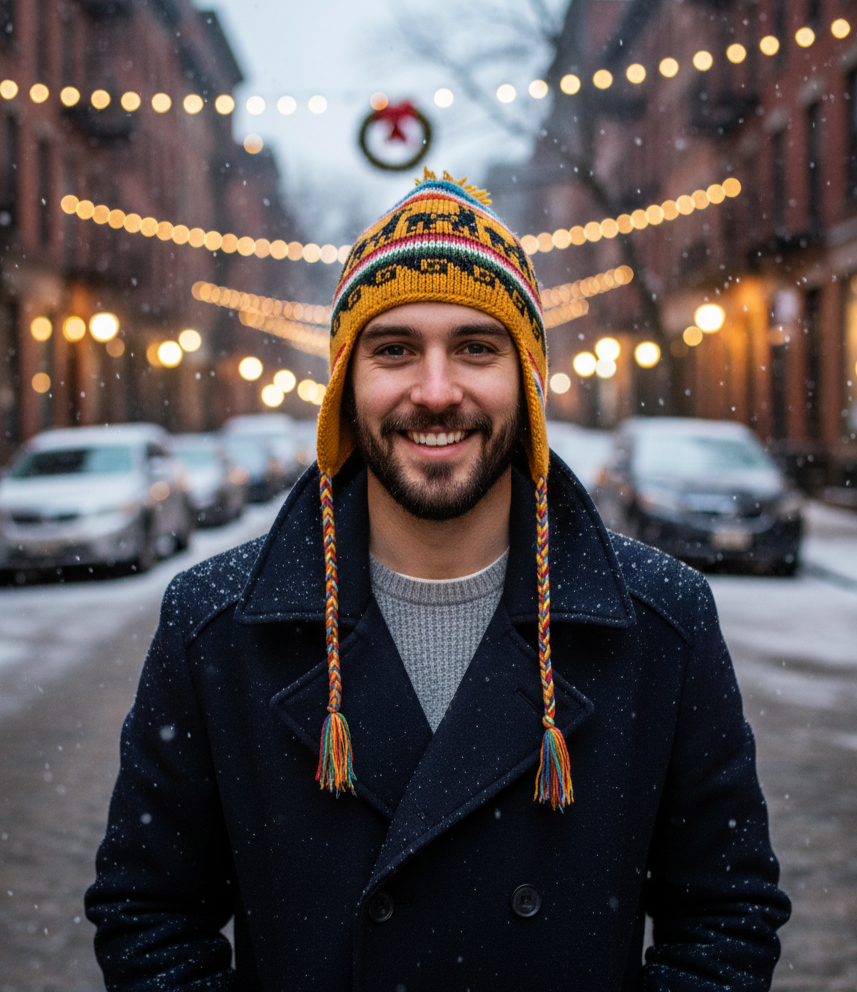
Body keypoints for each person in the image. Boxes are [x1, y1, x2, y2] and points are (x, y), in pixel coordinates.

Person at [86, 171, 790, 991]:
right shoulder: (216, 627)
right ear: (346, 385)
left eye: (474, 347)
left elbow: (726, 917)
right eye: (393, 349)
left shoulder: (659, 622)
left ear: (525, 382)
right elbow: (149, 916)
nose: (434, 391)